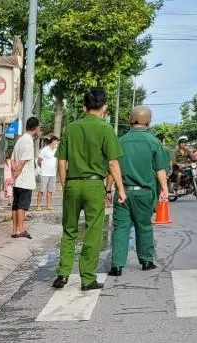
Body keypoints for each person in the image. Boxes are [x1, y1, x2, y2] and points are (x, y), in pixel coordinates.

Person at [54, 88, 126, 291]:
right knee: (93, 231)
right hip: (95, 185)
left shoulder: (71, 128)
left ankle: (63, 274)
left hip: (72, 184)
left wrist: (64, 184)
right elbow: (112, 163)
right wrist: (120, 189)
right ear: (104, 108)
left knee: (69, 229)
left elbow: (61, 161)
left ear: (84, 106)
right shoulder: (106, 129)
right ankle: (87, 279)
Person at [109, 105, 170, 277]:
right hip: (144, 192)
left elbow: (112, 168)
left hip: (123, 191)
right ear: (148, 121)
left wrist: (108, 189)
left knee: (121, 227)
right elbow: (160, 169)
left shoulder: (120, 141)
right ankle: (146, 261)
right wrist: (164, 189)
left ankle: (117, 266)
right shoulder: (154, 142)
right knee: (143, 226)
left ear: (130, 120)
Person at [10, 116, 39, 238]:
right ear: (36, 128)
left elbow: (11, 160)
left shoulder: (20, 140)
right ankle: (20, 229)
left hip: (18, 180)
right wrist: (17, 173)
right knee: (22, 205)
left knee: (16, 204)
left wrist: (14, 174)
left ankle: (15, 229)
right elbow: (22, 162)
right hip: (24, 179)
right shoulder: (28, 141)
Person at [36, 134, 59, 211]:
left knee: (50, 190)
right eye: (55, 142)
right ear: (52, 142)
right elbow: (39, 160)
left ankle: (48, 205)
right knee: (42, 190)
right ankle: (38, 205)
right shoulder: (45, 150)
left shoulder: (56, 150)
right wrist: (43, 168)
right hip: (44, 173)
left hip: (53, 173)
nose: (56, 143)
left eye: (57, 142)